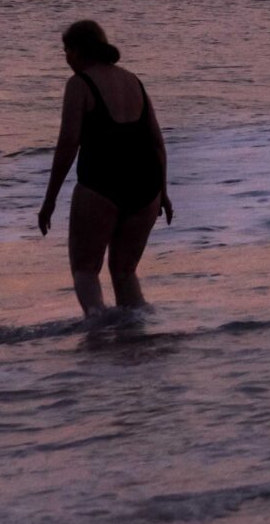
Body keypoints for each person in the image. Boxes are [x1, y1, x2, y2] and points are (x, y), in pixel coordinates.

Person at [38, 19, 172, 321]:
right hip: (146, 184)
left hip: (103, 183)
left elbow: (68, 144)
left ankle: (98, 338)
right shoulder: (133, 81)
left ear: (79, 51)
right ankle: (140, 333)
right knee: (125, 271)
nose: (66, 58)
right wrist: (163, 193)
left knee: (86, 270)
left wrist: (50, 199)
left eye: (66, 50)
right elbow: (157, 143)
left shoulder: (79, 84)